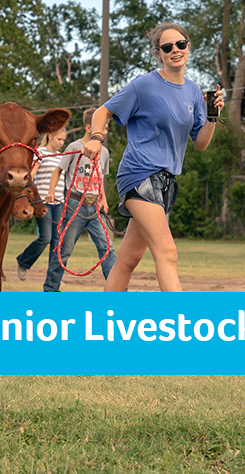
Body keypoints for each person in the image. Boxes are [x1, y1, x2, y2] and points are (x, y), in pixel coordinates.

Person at [82, 22, 224, 292]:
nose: (175, 50)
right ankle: (179, 324)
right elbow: (102, 112)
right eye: (167, 47)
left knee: (128, 259)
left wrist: (213, 116)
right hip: (139, 173)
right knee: (167, 252)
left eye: (180, 45)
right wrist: (97, 138)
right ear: (159, 53)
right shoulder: (144, 85)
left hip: (166, 182)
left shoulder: (194, 91)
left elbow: (201, 143)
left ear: (188, 47)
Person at [42, 108, 117, 292]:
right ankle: (50, 290)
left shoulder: (104, 152)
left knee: (107, 249)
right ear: (89, 127)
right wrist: (52, 191)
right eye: (102, 127)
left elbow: (100, 178)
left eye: (106, 128)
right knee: (64, 250)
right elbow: (58, 171)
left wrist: (103, 200)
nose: (105, 132)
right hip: (75, 205)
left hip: (95, 208)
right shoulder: (74, 147)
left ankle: (118, 290)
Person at [15, 127, 67, 280]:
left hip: (59, 202)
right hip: (42, 202)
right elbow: (30, 177)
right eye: (59, 139)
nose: (61, 143)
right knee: (46, 238)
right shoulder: (40, 153)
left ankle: (54, 278)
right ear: (50, 136)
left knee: (57, 241)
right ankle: (24, 262)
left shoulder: (61, 156)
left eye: (63, 140)